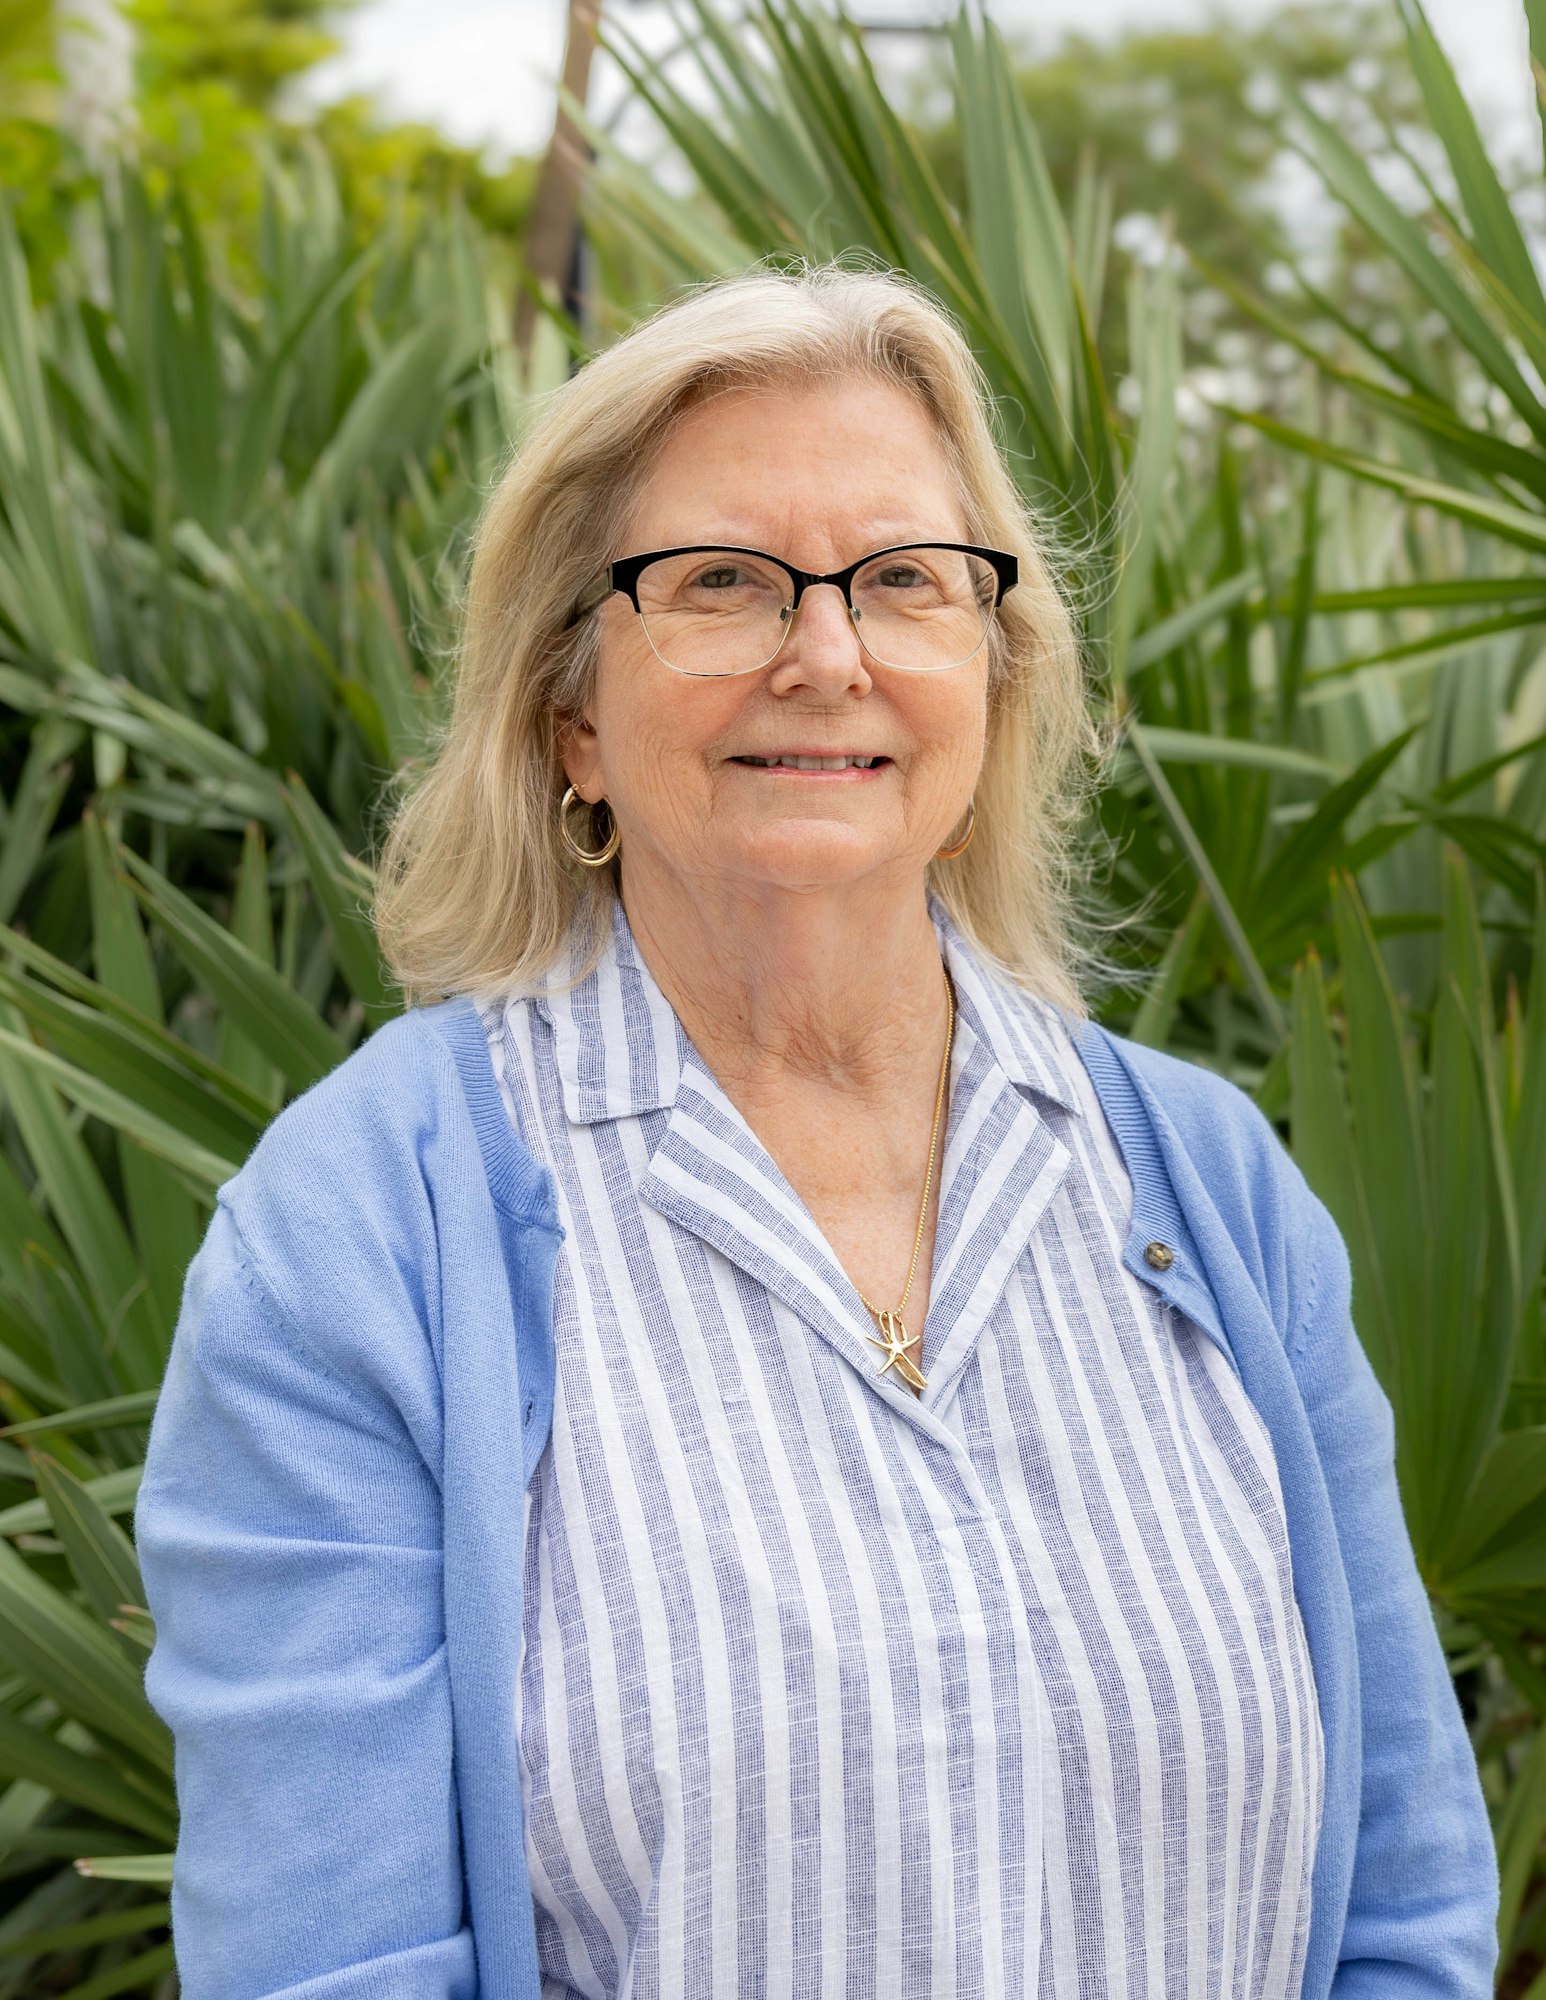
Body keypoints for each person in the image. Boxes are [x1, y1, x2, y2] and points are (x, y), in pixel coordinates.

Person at [133, 262, 1498, 2000]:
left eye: (905, 583)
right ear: (571, 720)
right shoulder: (363, 1238)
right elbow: (333, 1969)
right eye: (719, 584)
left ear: (992, 679)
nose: (827, 653)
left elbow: (1400, 1909)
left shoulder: (1211, 1190)